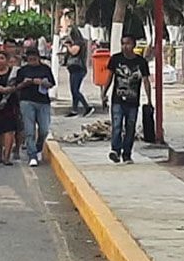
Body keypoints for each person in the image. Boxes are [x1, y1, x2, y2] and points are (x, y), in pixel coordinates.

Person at [102, 35, 151, 164]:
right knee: (117, 125)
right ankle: (115, 151)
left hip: (133, 101)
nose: (125, 46)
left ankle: (127, 154)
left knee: (130, 127)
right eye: (123, 43)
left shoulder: (141, 62)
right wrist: (104, 93)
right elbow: (109, 77)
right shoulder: (116, 59)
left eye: (128, 43)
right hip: (117, 100)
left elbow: (146, 81)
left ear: (134, 45)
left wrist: (149, 100)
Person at [16, 48, 55, 167]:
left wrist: (42, 83)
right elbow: (17, 86)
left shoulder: (45, 69)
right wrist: (24, 83)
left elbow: (52, 84)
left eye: (34, 57)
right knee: (29, 130)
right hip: (27, 101)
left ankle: (38, 148)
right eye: (29, 58)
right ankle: (31, 154)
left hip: (42, 101)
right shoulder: (22, 70)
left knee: (44, 129)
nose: (32, 60)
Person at [63, 29, 93, 117]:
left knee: (75, 90)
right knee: (73, 90)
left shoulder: (78, 44)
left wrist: (68, 46)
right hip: (74, 69)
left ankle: (87, 107)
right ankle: (74, 110)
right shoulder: (79, 43)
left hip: (78, 69)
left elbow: (73, 52)